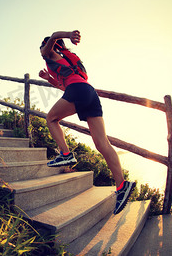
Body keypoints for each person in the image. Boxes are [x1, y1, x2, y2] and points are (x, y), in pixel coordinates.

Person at [39, 30, 135, 215]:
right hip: (89, 92)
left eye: (44, 46)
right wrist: (49, 79)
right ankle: (122, 184)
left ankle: (66, 154)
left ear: (48, 45)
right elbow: (63, 86)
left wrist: (65, 35)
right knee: (102, 143)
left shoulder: (48, 52)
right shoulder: (69, 59)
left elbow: (52, 37)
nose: (42, 51)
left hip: (78, 90)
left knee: (51, 118)